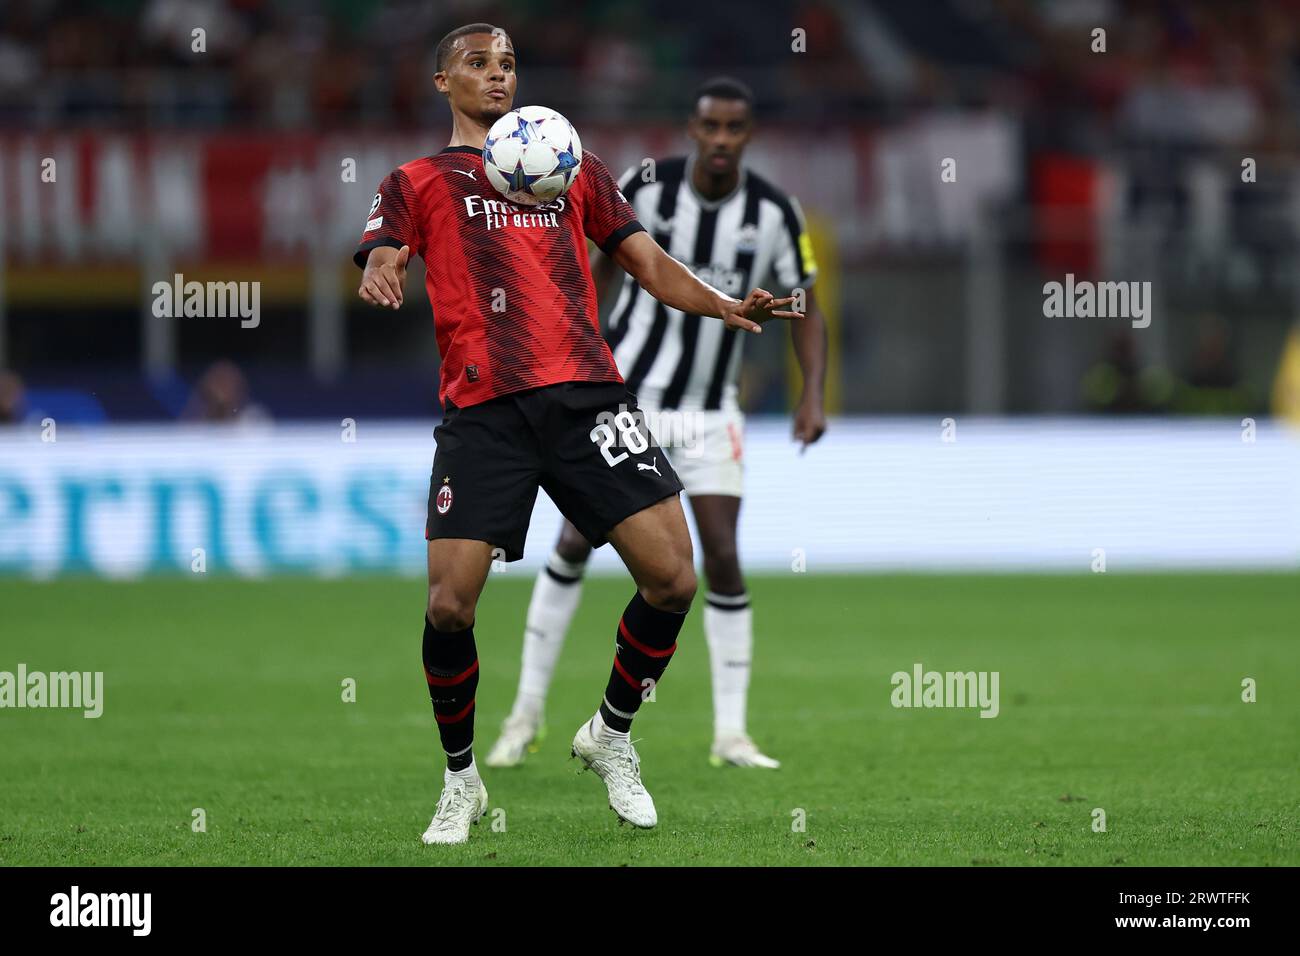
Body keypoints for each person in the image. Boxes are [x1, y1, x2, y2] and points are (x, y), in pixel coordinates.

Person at [354, 24, 801, 844]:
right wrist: (384, 264)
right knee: (450, 605)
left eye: (509, 64)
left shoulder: (573, 165)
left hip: (590, 400)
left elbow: (648, 261)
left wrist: (724, 302)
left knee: (673, 578)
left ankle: (610, 734)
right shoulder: (418, 180)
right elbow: (384, 244)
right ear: (441, 81)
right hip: (486, 409)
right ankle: (462, 782)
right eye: (479, 65)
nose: (498, 76)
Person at [488, 77, 827, 771]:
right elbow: (601, 272)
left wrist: (811, 393)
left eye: (736, 127)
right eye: (712, 126)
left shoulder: (775, 212)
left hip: (708, 411)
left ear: (749, 134)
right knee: (576, 540)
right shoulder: (643, 189)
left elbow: (804, 306)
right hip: (626, 401)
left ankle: (730, 734)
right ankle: (523, 717)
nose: (723, 139)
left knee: (721, 557)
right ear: (693, 130)